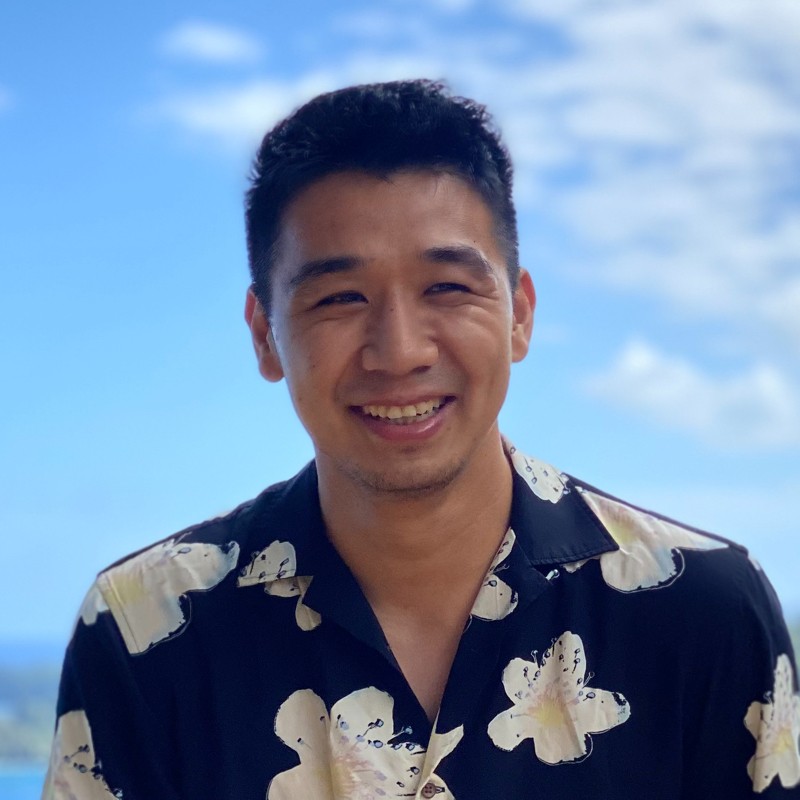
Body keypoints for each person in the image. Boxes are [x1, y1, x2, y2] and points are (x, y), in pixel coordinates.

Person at [43, 80, 800, 800]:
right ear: (265, 335)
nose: (399, 351)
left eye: (447, 287)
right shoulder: (146, 627)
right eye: (340, 297)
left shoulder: (701, 610)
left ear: (519, 315)